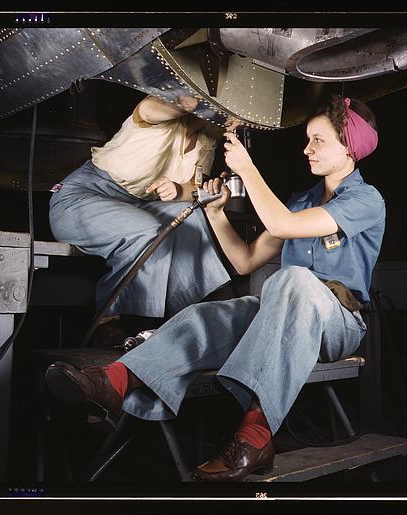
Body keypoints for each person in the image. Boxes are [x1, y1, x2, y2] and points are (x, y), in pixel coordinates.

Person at [45, 93, 385, 481]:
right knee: (209, 314)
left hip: (338, 324)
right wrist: (215, 212)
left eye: (318, 141)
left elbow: (281, 227)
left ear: (349, 148)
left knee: (292, 279)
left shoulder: (366, 200)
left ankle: (255, 436)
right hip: (283, 312)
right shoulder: (300, 200)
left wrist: (249, 170)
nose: (307, 149)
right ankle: (113, 383)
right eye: (306, 139)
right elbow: (244, 260)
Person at [48, 94, 234, 323]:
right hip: (83, 197)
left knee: (191, 217)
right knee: (147, 230)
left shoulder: (208, 138)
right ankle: (110, 320)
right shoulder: (157, 112)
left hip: (138, 205)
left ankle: (188, 319)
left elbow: (193, 188)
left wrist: (177, 189)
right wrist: (205, 99)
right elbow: (148, 110)